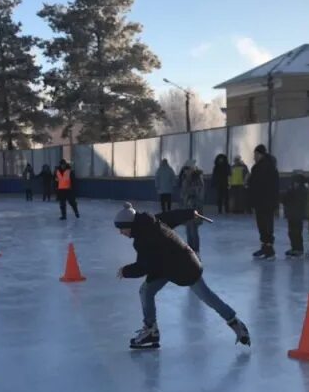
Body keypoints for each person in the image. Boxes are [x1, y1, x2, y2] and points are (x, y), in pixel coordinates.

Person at [114, 202, 250, 350]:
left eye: (122, 228)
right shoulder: (149, 222)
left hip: (185, 267)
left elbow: (143, 266)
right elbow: (170, 217)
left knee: (207, 297)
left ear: (130, 225)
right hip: (166, 265)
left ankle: (235, 323)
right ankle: (151, 331)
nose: (121, 232)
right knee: (146, 291)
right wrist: (189, 213)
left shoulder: (144, 237)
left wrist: (125, 271)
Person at [248, 145, 279, 259]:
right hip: (262, 201)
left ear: (261, 154)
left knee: (266, 225)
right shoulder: (261, 167)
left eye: (255, 155)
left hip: (265, 201)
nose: (254, 157)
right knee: (262, 225)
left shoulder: (265, 168)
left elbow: (261, 185)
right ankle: (265, 247)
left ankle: (269, 250)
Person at [280, 172, 309, 257]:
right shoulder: (293, 189)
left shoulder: (301, 190)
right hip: (292, 214)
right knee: (292, 232)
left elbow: (291, 199)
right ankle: (294, 248)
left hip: (297, 214)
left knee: (296, 232)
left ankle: (298, 249)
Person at [180, 161, 206, 253]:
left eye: (187, 169)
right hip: (187, 208)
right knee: (188, 230)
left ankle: (196, 250)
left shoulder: (197, 179)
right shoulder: (185, 179)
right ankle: (190, 249)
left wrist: (191, 197)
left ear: (192, 169)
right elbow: (183, 194)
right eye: (185, 169)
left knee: (193, 230)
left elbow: (200, 194)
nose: (186, 171)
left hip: (195, 208)